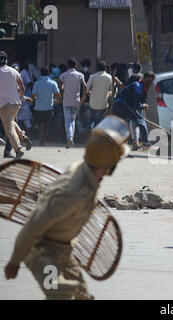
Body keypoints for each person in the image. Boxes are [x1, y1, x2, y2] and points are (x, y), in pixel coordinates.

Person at [4, 116, 131, 300]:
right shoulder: (72, 193)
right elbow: (33, 224)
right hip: (41, 253)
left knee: (82, 296)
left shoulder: (87, 171)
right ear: (107, 164)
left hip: (64, 252)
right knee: (59, 290)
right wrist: (14, 262)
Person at [0, 51, 32, 159]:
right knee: (11, 123)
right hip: (16, 104)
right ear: (6, 60)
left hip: (3, 105)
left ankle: (18, 149)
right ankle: (23, 136)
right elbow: (22, 87)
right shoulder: (14, 71)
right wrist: (19, 97)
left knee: (9, 130)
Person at [112, 77, 150, 149]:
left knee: (121, 126)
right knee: (140, 120)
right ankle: (146, 143)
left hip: (117, 105)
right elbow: (134, 103)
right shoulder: (137, 86)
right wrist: (142, 106)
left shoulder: (128, 88)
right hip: (124, 105)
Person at [59, 57, 87, 148]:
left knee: (67, 121)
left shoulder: (63, 75)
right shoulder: (80, 75)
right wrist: (83, 96)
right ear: (75, 65)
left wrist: (62, 92)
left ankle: (70, 138)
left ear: (67, 65)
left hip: (66, 101)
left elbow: (60, 87)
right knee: (73, 120)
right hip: (76, 101)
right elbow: (85, 86)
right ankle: (71, 138)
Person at [31, 67, 60, 146]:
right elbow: (57, 94)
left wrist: (37, 99)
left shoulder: (37, 83)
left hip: (38, 108)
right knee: (46, 126)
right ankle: (43, 141)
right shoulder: (53, 83)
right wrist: (55, 101)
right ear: (49, 73)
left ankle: (40, 139)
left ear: (40, 73)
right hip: (49, 108)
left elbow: (33, 95)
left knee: (40, 125)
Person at [86, 61, 112, 128]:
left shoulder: (92, 76)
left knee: (91, 120)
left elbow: (86, 89)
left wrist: (89, 93)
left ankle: (90, 132)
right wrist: (108, 94)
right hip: (103, 104)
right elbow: (113, 91)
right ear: (105, 68)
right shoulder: (109, 77)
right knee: (99, 122)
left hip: (92, 103)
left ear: (97, 68)